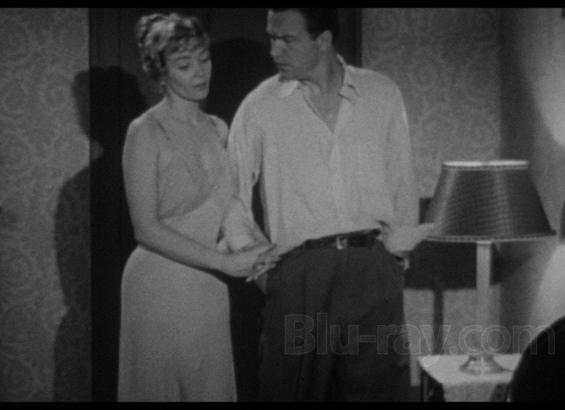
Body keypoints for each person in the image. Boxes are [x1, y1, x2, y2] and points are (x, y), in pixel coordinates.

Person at [225, 8, 422, 402]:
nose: (274, 49)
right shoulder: (260, 105)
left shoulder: (381, 93)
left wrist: (393, 260)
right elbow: (231, 198)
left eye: (287, 39)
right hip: (298, 276)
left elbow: (403, 182)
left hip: (371, 271)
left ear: (324, 40)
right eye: (271, 37)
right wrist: (264, 271)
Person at [116, 12, 278, 402]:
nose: (200, 72)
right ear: (161, 72)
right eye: (184, 65)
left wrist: (266, 257)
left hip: (208, 287)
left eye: (204, 59)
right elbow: (145, 228)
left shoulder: (218, 128)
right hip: (157, 285)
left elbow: (231, 211)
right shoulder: (145, 131)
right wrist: (225, 263)